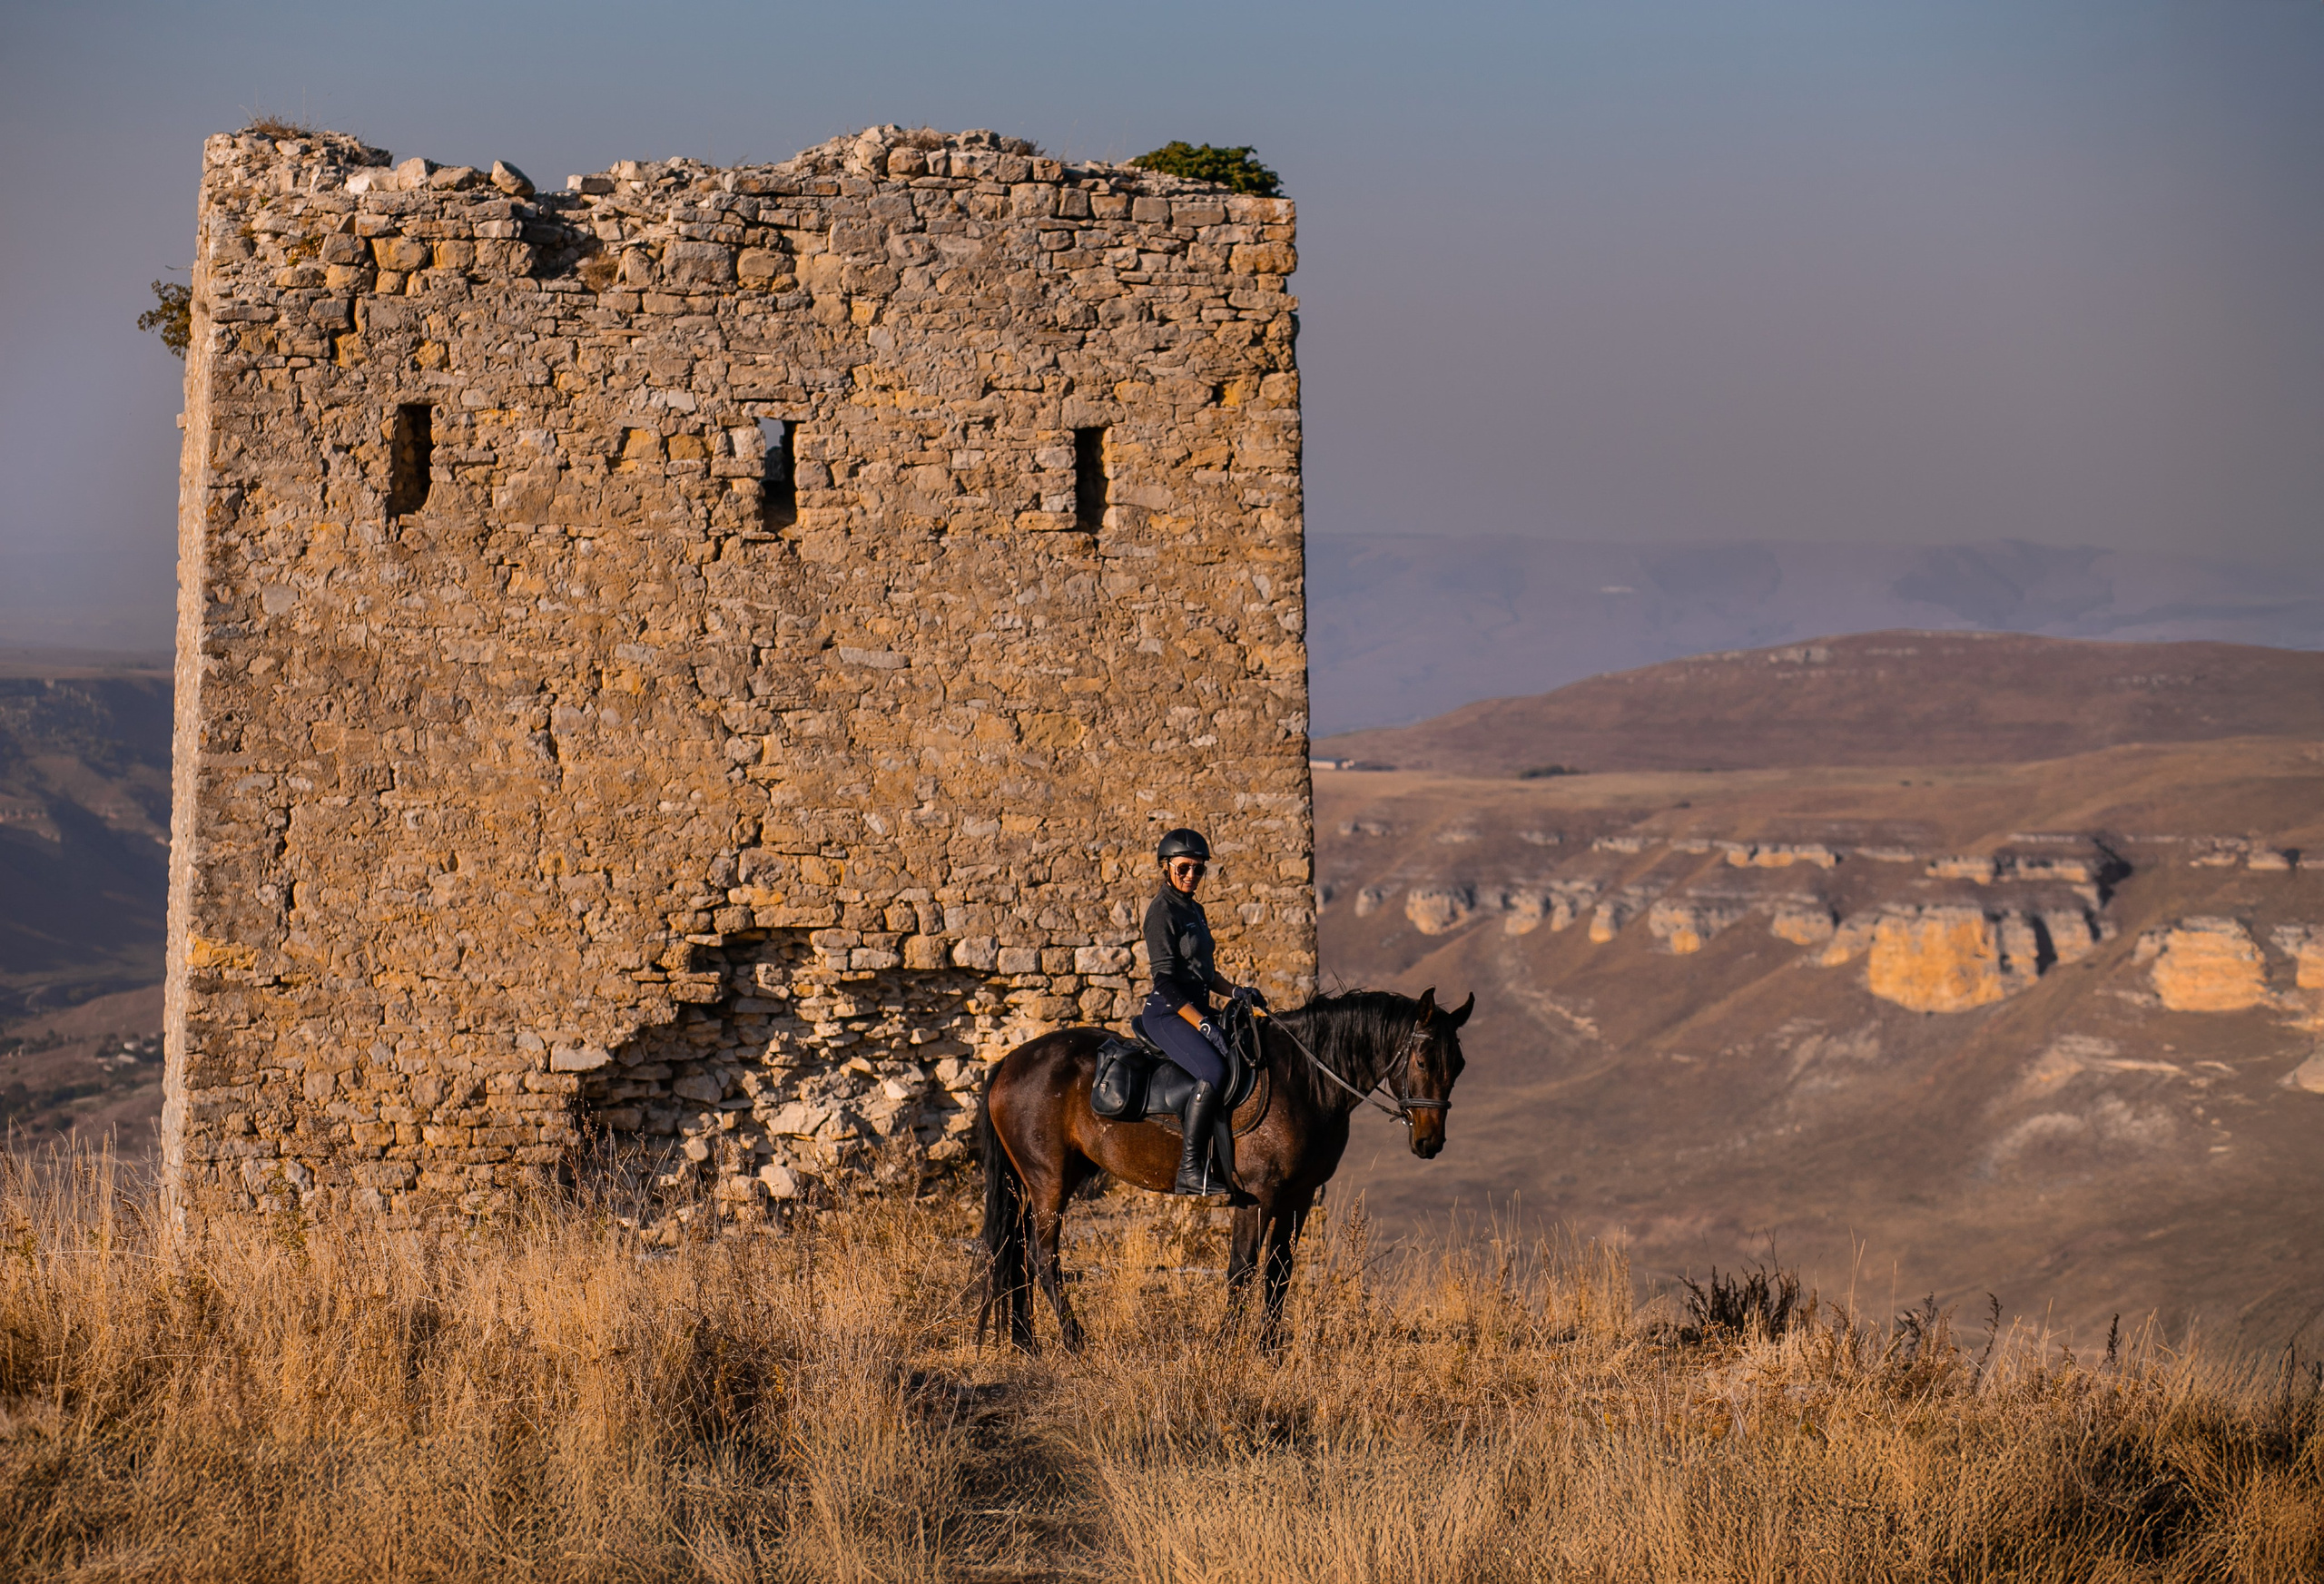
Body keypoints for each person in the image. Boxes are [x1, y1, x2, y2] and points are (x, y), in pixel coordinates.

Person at [1138, 828, 1265, 1199]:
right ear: (1166, 867)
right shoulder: (1161, 913)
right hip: (1167, 1013)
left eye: (1199, 869)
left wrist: (1236, 991)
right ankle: (1190, 1170)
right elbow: (1164, 982)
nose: (1192, 875)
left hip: (1196, 1006)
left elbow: (1206, 974)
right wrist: (1204, 1022)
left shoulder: (1195, 908)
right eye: (1184, 868)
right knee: (1213, 1070)